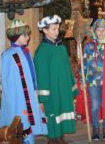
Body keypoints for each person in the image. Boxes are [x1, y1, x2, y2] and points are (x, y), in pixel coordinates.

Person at [0, 19, 47, 144]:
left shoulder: (25, 52)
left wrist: (35, 90)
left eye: (28, 35)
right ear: (16, 36)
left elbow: (31, 73)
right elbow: (7, 80)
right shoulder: (8, 55)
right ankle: (24, 140)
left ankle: (29, 140)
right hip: (18, 96)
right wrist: (12, 99)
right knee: (22, 120)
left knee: (29, 119)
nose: (28, 37)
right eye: (24, 35)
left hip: (30, 92)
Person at [34, 15, 78, 144]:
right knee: (53, 114)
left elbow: (67, 69)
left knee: (62, 113)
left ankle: (60, 138)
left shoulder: (61, 48)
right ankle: (53, 139)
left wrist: (72, 86)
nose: (57, 32)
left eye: (57, 29)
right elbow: (41, 74)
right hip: (52, 90)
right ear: (45, 30)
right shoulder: (42, 51)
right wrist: (43, 96)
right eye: (53, 29)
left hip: (63, 89)